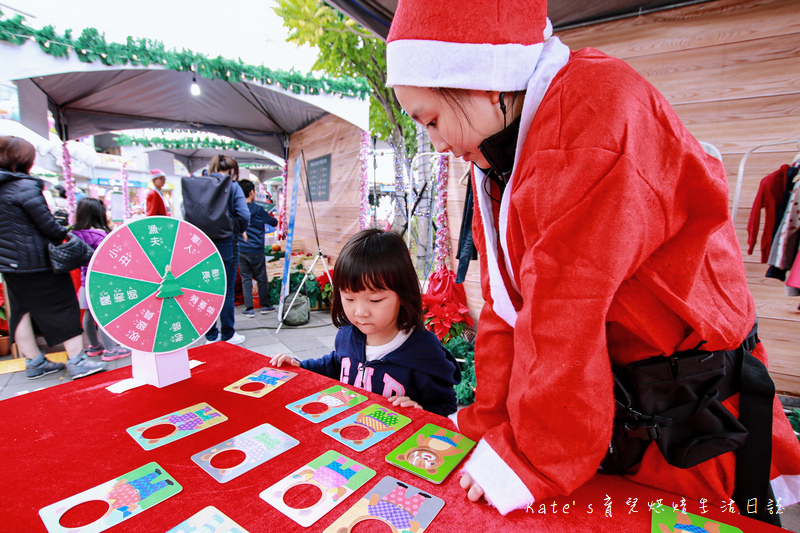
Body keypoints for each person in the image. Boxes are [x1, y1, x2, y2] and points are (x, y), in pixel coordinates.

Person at [385, 0, 800, 522]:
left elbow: (566, 308)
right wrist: (486, 425)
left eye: (432, 120)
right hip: (621, 413)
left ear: (482, 81)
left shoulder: (594, 111)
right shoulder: (497, 156)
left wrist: (532, 458)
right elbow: (505, 309)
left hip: (695, 416)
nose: (438, 144)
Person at [271, 228, 461, 416]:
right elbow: (337, 363)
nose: (360, 312)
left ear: (403, 294)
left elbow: (446, 406)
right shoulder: (348, 333)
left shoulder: (424, 353)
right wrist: (301, 367)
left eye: (375, 300)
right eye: (349, 299)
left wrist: (420, 410)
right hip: (352, 433)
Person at [0, 136, 106, 380]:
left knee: (21, 310)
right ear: (23, 159)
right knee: (62, 307)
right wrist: (64, 233)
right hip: (36, 261)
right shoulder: (24, 186)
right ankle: (77, 361)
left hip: (9, 263)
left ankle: (35, 362)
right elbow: (48, 226)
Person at [194, 155, 250, 345]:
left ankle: (210, 336)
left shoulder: (199, 185)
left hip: (201, 245)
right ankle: (228, 334)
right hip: (226, 243)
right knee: (226, 291)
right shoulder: (233, 186)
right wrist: (239, 229)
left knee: (208, 289)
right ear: (232, 170)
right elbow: (244, 214)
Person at [72, 198, 132, 362]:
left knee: (89, 316)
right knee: (103, 316)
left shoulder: (74, 234)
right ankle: (110, 349)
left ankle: (94, 346)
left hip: (84, 283)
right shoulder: (100, 235)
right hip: (100, 283)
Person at [237, 179, 278, 317]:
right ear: (251, 192)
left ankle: (249, 308)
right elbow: (274, 222)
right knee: (261, 277)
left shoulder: (237, 209)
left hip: (241, 249)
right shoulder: (258, 209)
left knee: (246, 278)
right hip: (256, 249)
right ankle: (265, 305)